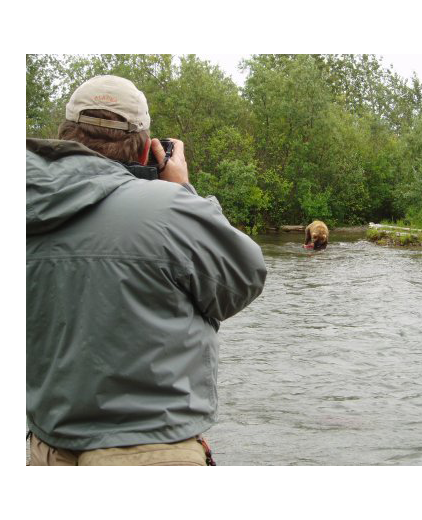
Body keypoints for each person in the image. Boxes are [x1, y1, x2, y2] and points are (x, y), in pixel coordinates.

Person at [26, 75, 267, 465]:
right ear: (145, 151)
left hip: (47, 446)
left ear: (65, 136)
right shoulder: (171, 210)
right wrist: (183, 191)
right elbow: (240, 282)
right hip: (150, 449)